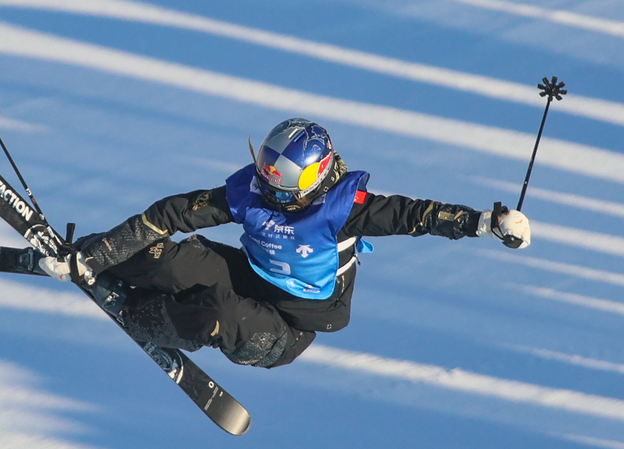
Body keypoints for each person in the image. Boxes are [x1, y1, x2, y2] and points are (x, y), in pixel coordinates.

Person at [38, 118, 531, 369]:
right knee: (164, 258)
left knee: (216, 313)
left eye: (285, 176)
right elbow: (170, 213)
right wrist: (94, 255)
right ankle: (100, 267)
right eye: (268, 168)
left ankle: (152, 317)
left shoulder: (346, 208)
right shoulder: (253, 192)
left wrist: (488, 221)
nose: (273, 184)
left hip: (293, 322)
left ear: (317, 175)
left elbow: (416, 214)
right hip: (253, 274)